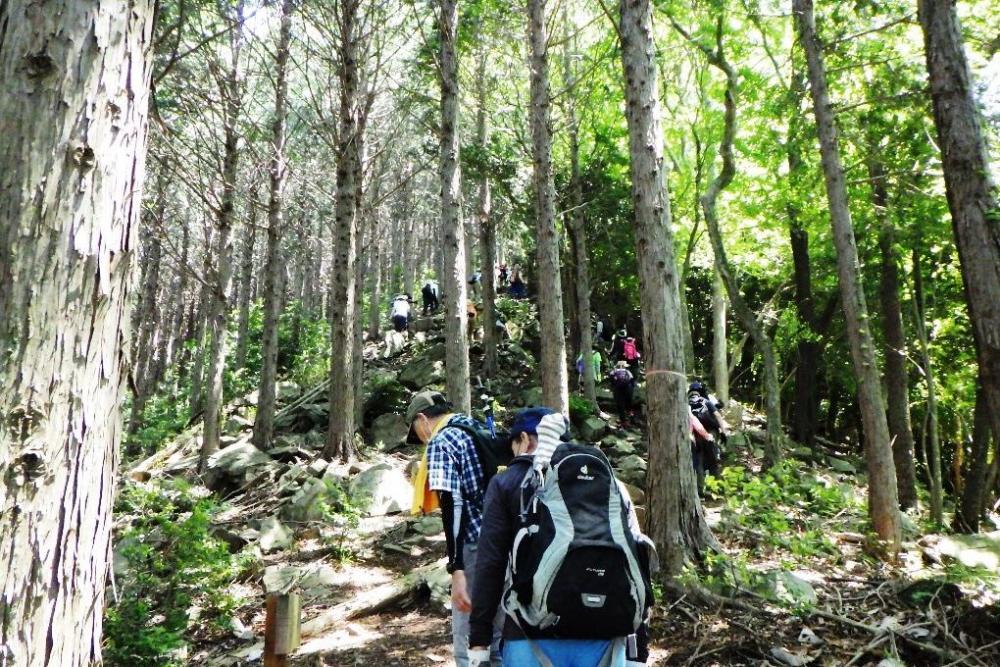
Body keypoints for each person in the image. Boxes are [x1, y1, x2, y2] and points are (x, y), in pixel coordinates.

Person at [469, 408, 653, 667]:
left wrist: (479, 641)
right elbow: (636, 556)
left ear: (523, 439)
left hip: (529, 634)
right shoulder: (609, 482)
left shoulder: (507, 483)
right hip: (605, 635)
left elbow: (490, 564)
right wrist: (639, 649)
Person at [406, 391, 503, 666]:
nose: (421, 441)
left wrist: (456, 567)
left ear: (422, 419)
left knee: (468, 639)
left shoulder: (441, 440)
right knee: (498, 637)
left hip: (474, 548)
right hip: (504, 544)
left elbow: (452, 504)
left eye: (417, 432)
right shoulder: (477, 427)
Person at [610, 361, 637, 428]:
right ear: (624, 366)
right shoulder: (627, 372)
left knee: (620, 406)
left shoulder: (613, 372)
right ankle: (631, 418)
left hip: (618, 390)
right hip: (628, 390)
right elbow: (632, 381)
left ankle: (623, 422)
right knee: (629, 405)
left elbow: (611, 381)